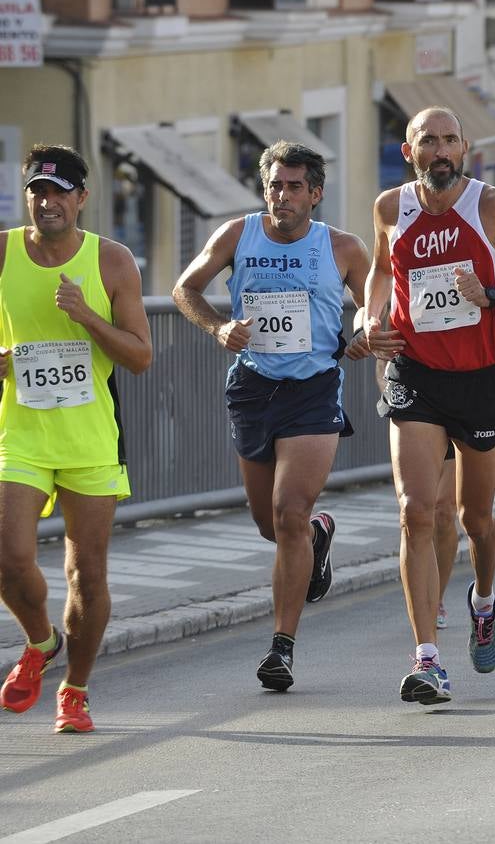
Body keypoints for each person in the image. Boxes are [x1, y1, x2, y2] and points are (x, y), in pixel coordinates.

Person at [364, 107, 495, 706]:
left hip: (479, 379)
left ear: (466, 148)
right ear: (411, 152)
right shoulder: (389, 208)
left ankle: (483, 601)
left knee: (475, 519)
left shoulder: (494, 206)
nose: (442, 151)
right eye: (430, 141)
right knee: (416, 512)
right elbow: (379, 271)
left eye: (451, 140)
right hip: (414, 374)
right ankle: (427, 659)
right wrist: (368, 318)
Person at [174, 141, 371, 691]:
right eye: (273, 186)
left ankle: (281, 648)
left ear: (316, 193)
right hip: (253, 388)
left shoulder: (344, 248)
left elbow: (376, 302)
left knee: (287, 511)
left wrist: (362, 333)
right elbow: (185, 288)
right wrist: (217, 326)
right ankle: (317, 535)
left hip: (313, 390)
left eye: (292, 187)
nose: (280, 197)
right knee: (271, 524)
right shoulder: (238, 235)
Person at [0, 145, 152, 733]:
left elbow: (141, 357)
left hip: (89, 439)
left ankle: (75, 690)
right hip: (22, 434)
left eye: (60, 191)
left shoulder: (111, 262)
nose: (48, 201)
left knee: (86, 575)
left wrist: (88, 316)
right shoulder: (5, 252)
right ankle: (41, 641)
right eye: (38, 190)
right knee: (9, 559)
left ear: (82, 199)